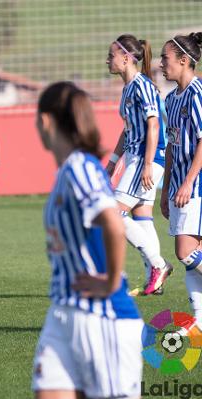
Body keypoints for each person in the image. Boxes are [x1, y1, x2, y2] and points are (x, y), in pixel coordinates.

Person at [32, 81, 142, 399]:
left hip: (100, 315)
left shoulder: (81, 167)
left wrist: (109, 282)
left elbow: (113, 222)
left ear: (45, 121)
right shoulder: (68, 171)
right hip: (63, 310)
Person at [105, 34, 172, 296]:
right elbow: (128, 129)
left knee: (112, 214)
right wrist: (112, 163)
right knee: (142, 217)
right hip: (137, 157)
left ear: (126, 58)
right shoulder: (128, 88)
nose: (107, 60)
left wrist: (146, 164)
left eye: (111, 55)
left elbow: (154, 125)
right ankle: (153, 280)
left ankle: (158, 265)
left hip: (147, 157)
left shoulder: (142, 86)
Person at [159, 33, 202, 330]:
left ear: (184, 61)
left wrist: (188, 182)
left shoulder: (198, 93)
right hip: (178, 187)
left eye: (165, 58)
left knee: (185, 252)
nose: (161, 64)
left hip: (196, 186)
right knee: (193, 256)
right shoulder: (170, 99)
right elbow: (172, 146)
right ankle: (199, 320)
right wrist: (166, 189)